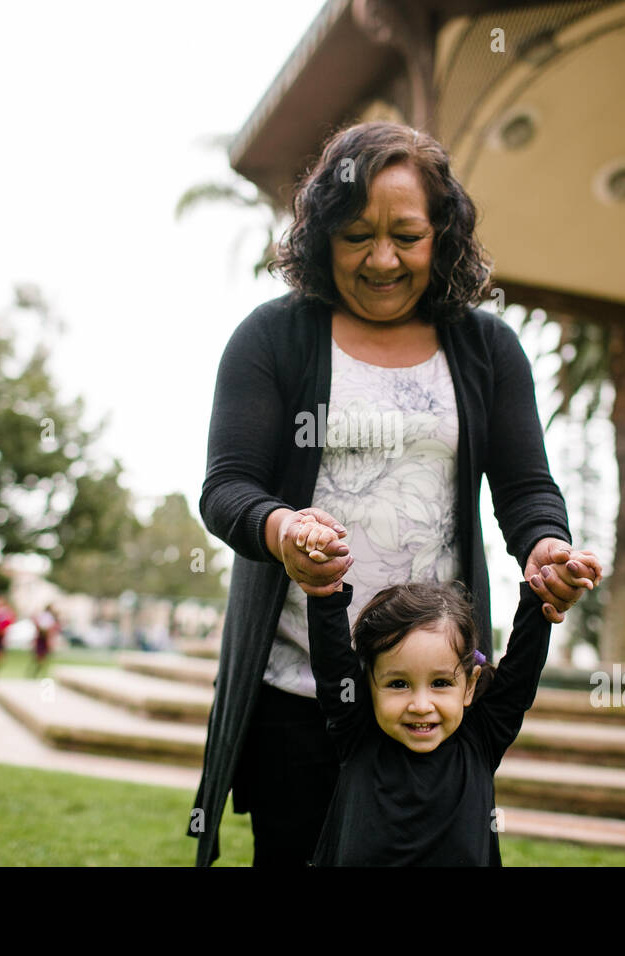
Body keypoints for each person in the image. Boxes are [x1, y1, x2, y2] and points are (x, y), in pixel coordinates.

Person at [189, 120, 603, 867]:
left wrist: (546, 546)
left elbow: (526, 487)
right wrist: (283, 531)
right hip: (299, 697)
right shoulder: (273, 339)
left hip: (431, 700)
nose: (382, 259)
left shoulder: (487, 348)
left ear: (442, 235)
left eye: (406, 236)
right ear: (322, 236)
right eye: (356, 235)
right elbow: (227, 488)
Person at [301, 511, 572, 864]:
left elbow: (519, 675)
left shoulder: (481, 740)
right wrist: (324, 586)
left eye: (441, 683)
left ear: (470, 686)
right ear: (369, 684)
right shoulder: (358, 734)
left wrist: (544, 592)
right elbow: (333, 661)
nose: (421, 704)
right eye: (398, 683)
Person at [30, 604, 59, 677]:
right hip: (43, 637)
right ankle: (39, 670)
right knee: (41, 656)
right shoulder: (48, 617)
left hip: (43, 636)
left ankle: (38, 670)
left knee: (41, 656)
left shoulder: (43, 616)